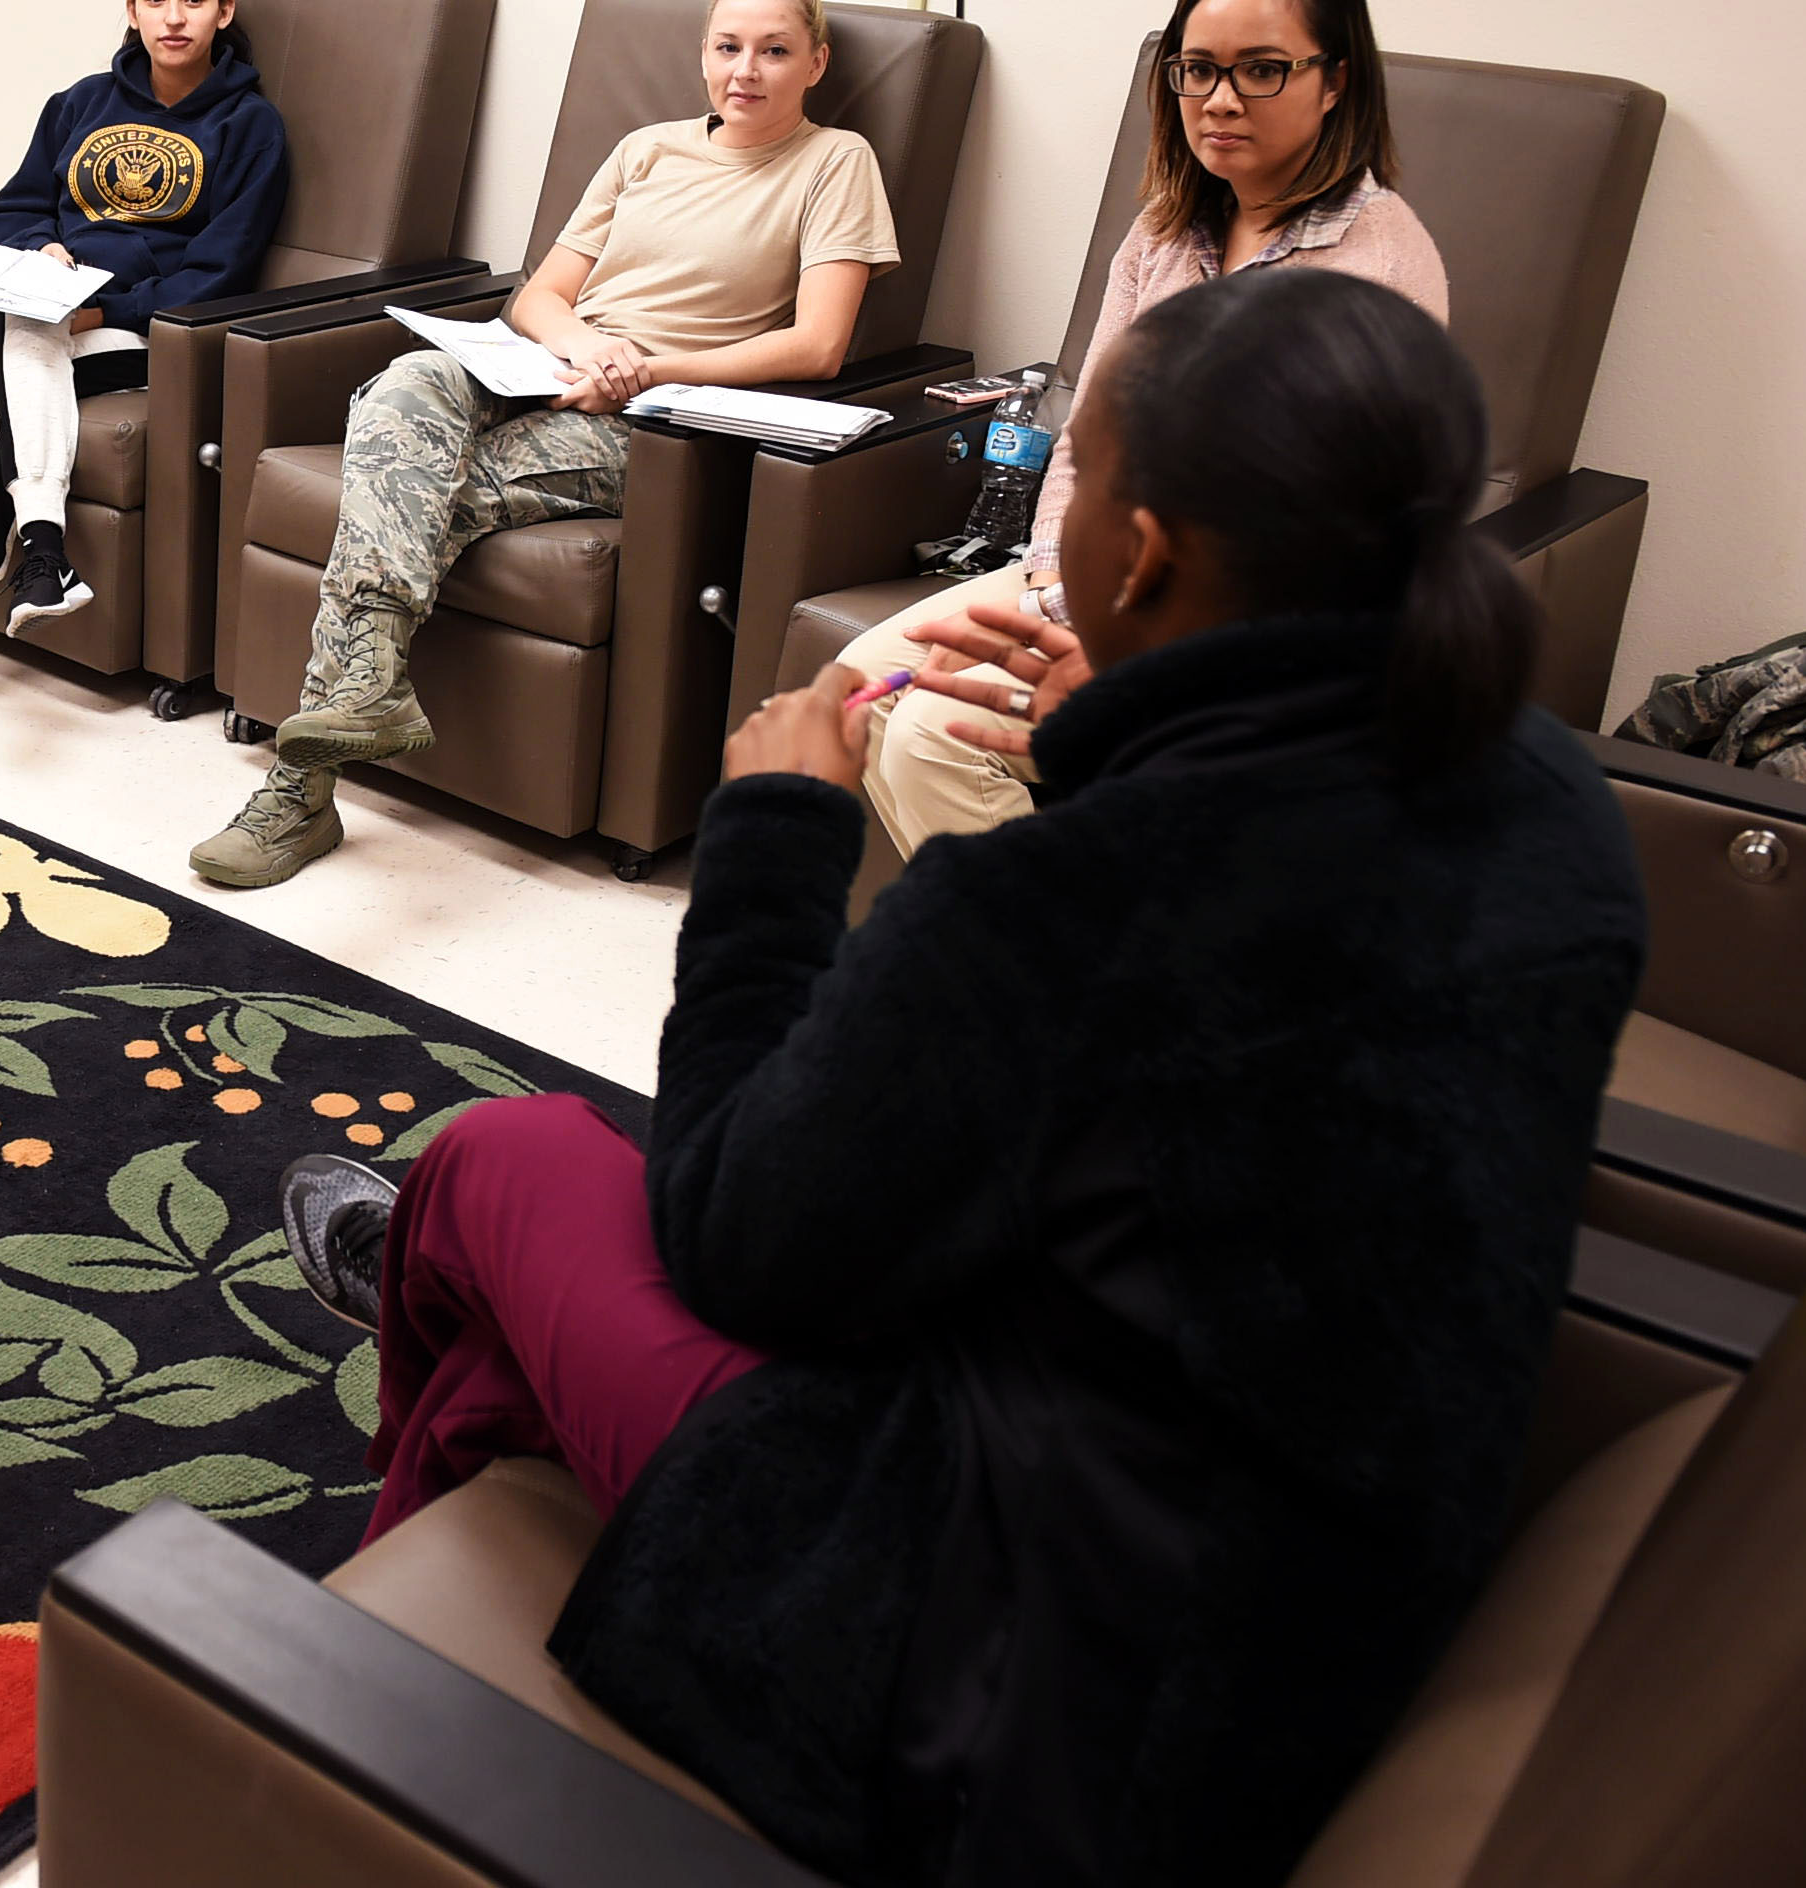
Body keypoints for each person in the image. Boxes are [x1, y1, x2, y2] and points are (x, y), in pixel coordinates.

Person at [273, 266, 1648, 1887]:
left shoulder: (1071, 902)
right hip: (1311, 1599)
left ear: (1134, 551)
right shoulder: (1551, 799)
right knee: (518, 1303)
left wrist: (776, 829)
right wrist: (1126, 731)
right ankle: (458, 1441)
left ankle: (325, 1716)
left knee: (502, 1163)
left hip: (1015, 1685)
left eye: (1080, 474)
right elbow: (1231, 1045)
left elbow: (736, 1239)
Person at [189, 0, 893, 888]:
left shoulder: (834, 162)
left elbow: (819, 345)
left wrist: (642, 370)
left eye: (773, 50)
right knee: (406, 386)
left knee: (428, 484)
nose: (745, 71)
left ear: (816, 61)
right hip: (555, 365)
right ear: (703, 53)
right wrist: (584, 347)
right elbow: (543, 293)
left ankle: (297, 790)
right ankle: (367, 690)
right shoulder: (648, 148)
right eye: (728, 47)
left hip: (661, 420)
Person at [834, 0, 1446, 862]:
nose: (1222, 99)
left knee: (935, 731)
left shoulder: (1381, 262)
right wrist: (1050, 583)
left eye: (1264, 70)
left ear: (1337, 82)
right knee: (859, 683)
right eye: (1197, 70)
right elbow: (1090, 434)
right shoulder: (1165, 232)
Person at [0, 0, 288, 733]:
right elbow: (11, 211)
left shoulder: (250, 127)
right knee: (25, 329)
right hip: (50, 315)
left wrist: (105, 309)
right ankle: (42, 560)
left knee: (5, 386)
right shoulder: (81, 102)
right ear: (131, 10)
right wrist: (38, 251)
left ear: (223, 12)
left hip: (143, 336)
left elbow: (220, 270)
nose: (174, 17)